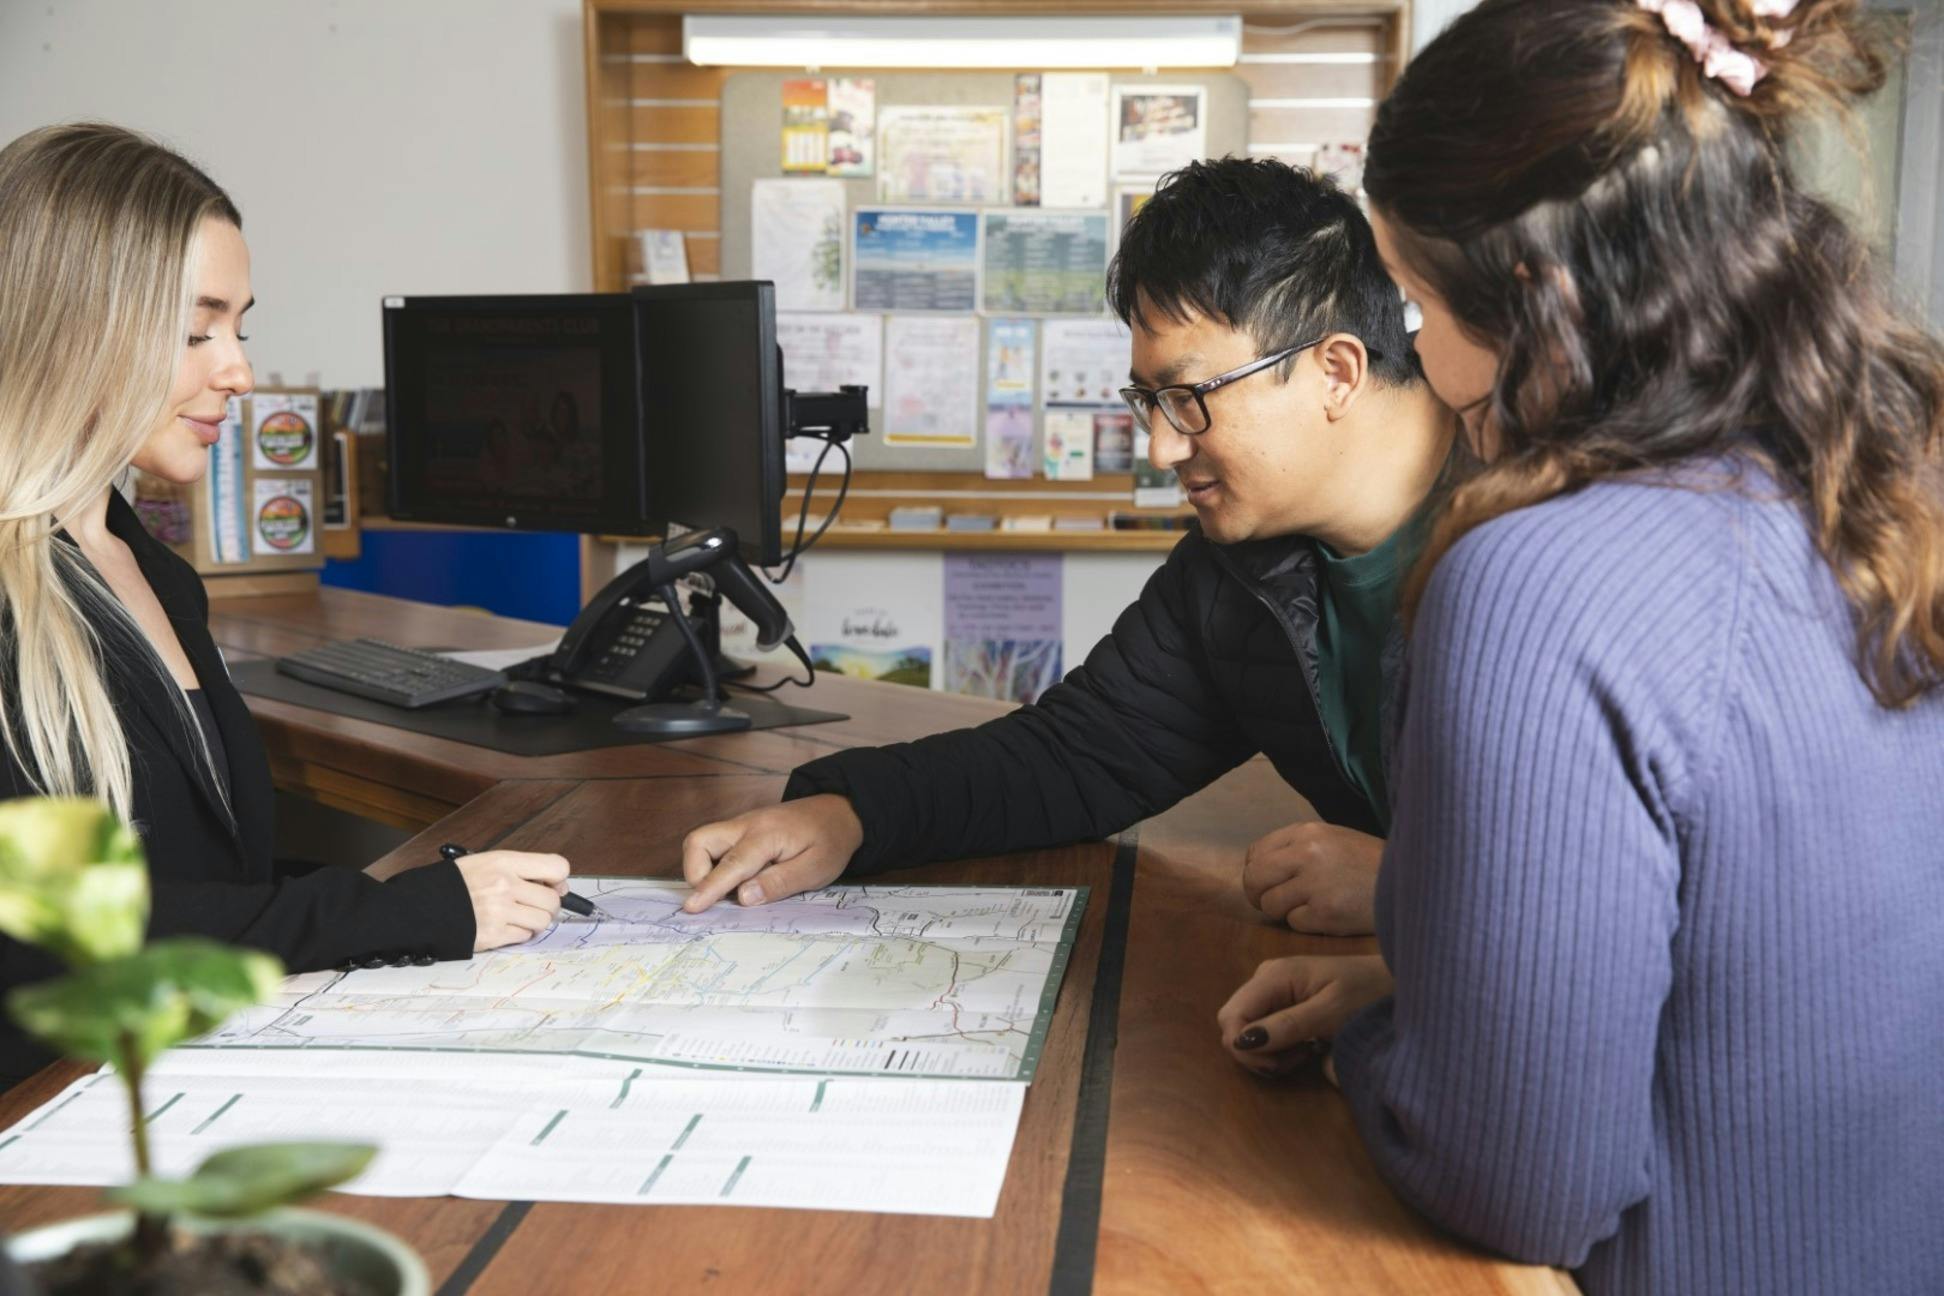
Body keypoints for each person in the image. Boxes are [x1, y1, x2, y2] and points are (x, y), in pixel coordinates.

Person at [1214, 1, 1944, 1291]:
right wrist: (1413, 993)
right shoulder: (1882, 496)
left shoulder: (1534, 578)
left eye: (1421, 307)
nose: (1418, 356)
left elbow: (1521, 1184)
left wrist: (1383, 1050)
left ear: (1543, 306)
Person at [683, 158, 1458, 935]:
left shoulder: (1537, 531)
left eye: (1188, 400)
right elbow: (1080, 754)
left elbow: (1577, 861)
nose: (1161, 449)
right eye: (1148, 402)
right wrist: (848, 815)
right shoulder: (1234, 574)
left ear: (1335, 371)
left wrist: (1413, 890)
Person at [0, 123, 574, 1089]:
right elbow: (57, 935)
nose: (239, 370)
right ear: (69, 324)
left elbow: (210, 884)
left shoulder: (153, 570)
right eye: (196, 330)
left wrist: (405, 895)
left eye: (241, 325)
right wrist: (404, 913)